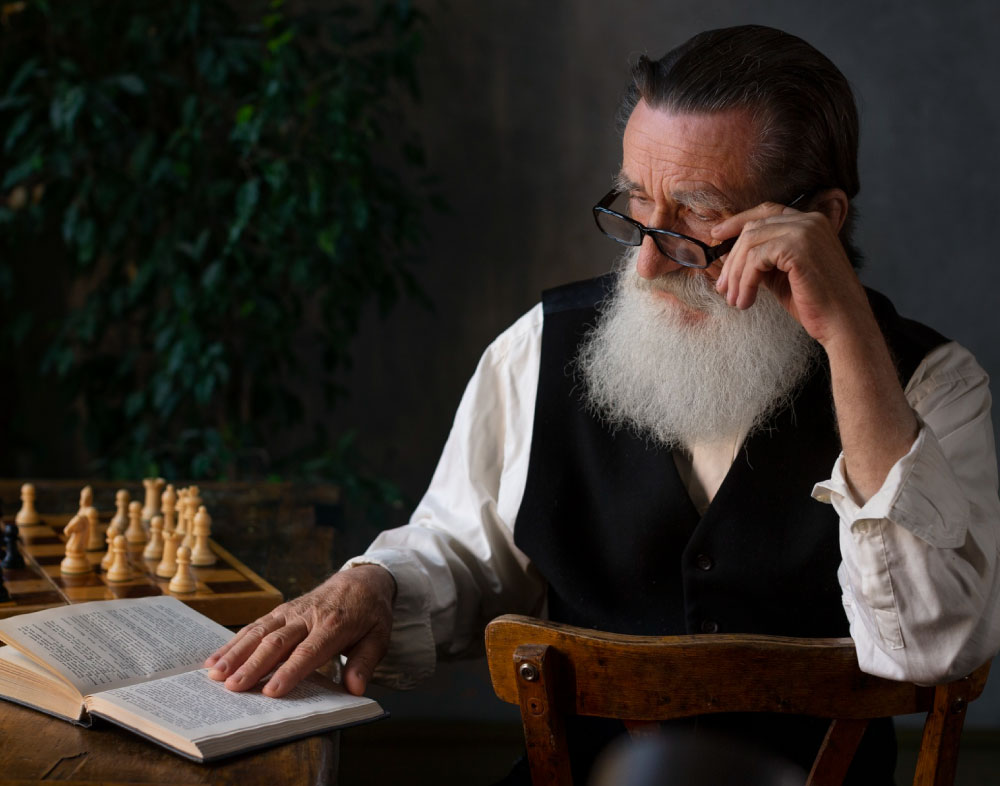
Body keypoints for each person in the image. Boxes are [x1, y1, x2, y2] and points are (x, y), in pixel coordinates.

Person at [205, 25, 1000, 782]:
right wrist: (374, 582)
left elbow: (930, 651)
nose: (649, 266)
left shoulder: (933, 383)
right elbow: (460, 548)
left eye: (696, 218)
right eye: (635, 209)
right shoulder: (539, 347)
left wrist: (849, 341)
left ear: (820, 221)